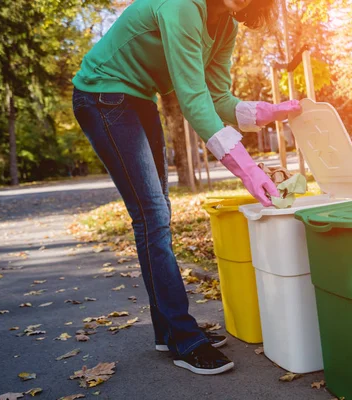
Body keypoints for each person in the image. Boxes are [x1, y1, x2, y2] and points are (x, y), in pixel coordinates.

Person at [71, 0, 300, 375]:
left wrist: (267, 112)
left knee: (156, 214)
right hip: (101, 95)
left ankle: (167, 329)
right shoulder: (181, 6)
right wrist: (245, 168)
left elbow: (217, 96)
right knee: (153, 215)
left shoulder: (225, 26)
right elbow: (193, 99)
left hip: (138, 98)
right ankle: (182, 336)